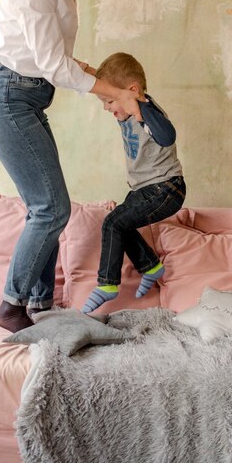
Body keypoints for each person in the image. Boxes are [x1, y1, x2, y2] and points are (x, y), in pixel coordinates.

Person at [0, 0, 142, 333]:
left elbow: (59, 60)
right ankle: (11, 306)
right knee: (53, 209)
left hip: (25, 98)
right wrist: (114, 93)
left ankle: (40, 306)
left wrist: (111, 90)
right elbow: (53, 65)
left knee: (43, 208)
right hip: (6, 99)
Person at [82, 52, 186, 314]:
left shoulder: (146, 110)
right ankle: (151, 266)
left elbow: (167, 135)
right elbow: (108, 82)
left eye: (109, 101)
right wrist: (83, 69)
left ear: (133, 91)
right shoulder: (127, 106)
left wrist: (142, 114)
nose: (106, 107)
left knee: (112, 223)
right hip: (145, 189)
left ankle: (107, 284)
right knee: (120, 225)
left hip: (165, 188)